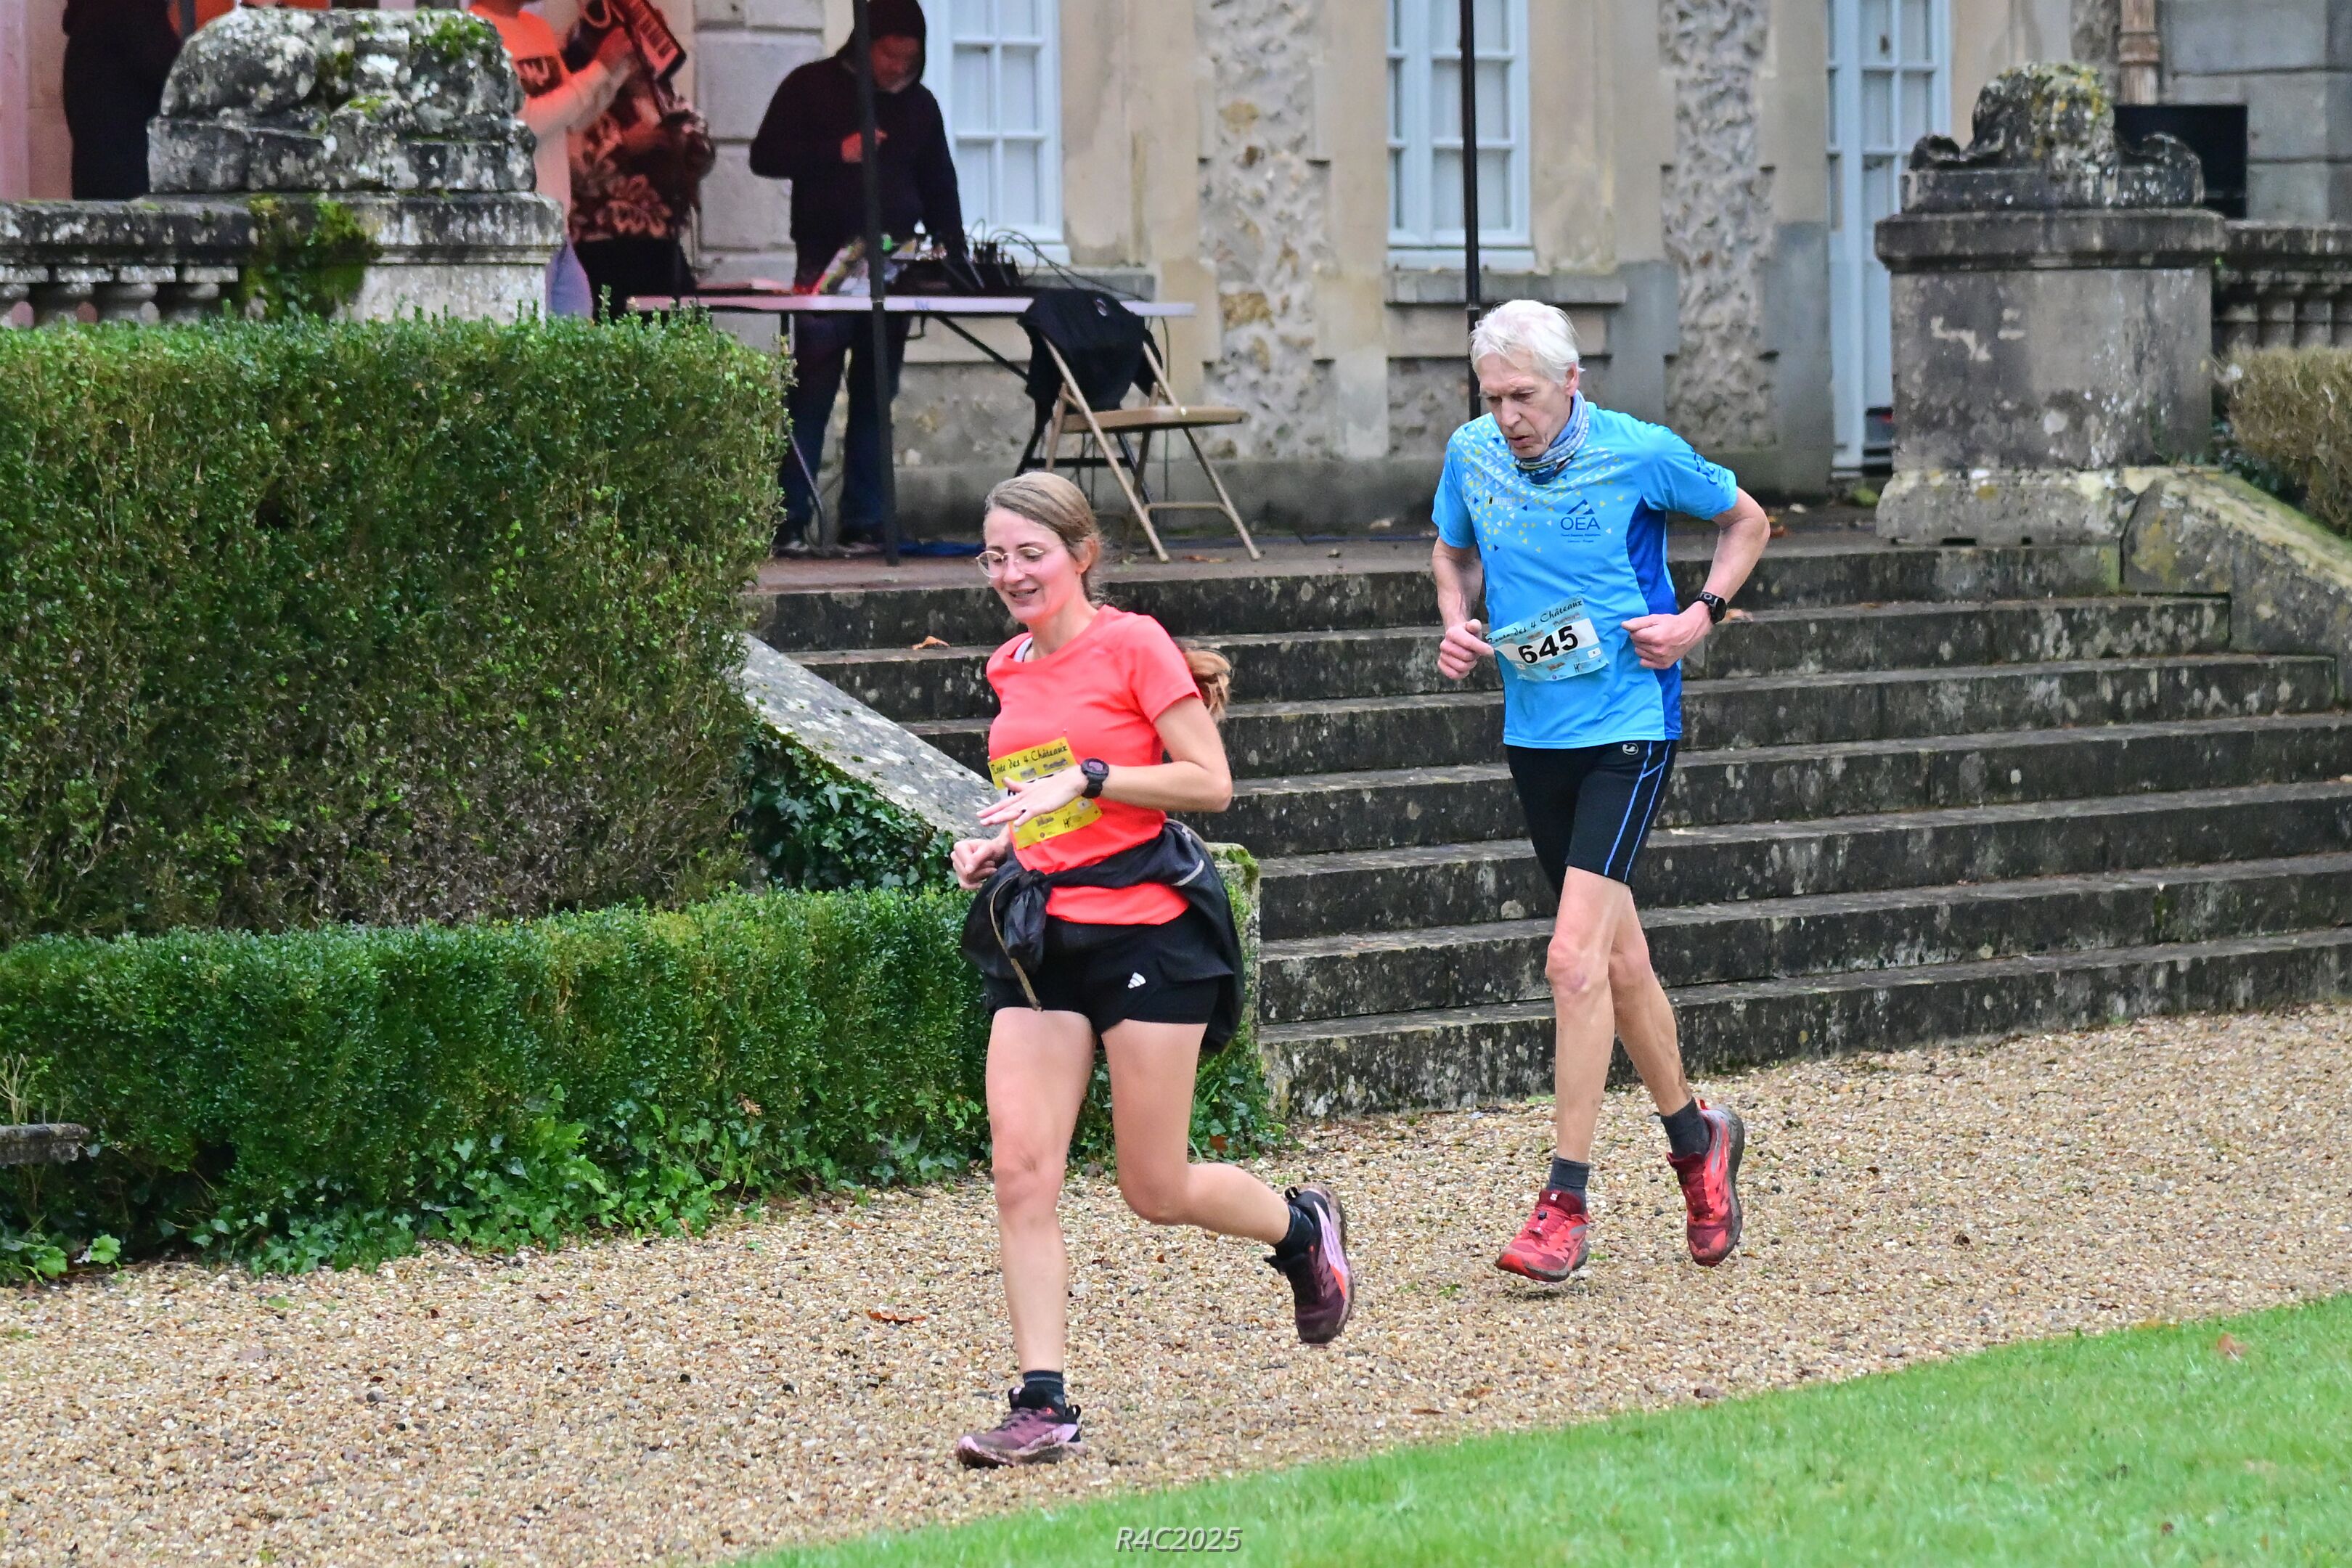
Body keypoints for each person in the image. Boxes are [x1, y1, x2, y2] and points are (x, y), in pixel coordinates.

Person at [950, 472, 1353, 1469]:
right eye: (996, 557)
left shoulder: (1133, 643)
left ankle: (1301, 1231)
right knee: (1020, 1172)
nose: (1012, 573)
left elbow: (1209, 783)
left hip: (1149, 933)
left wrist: (1091, 777)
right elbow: (1047, 800)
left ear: (1081, 555)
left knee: (1155, 1185)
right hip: (1043, 937)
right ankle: (1042, 1402)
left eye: (1031, 554)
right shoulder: (1007, 664)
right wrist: (1002, 846)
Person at [1431, 300, 1771, 1283]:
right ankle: (1697, 1142)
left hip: (1629, 724)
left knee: (1571, 961)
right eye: (1492, 399)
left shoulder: (1640, 452)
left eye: (1523, 397)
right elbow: (1452, 549)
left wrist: (1699, 616)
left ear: (1571, 383)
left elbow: (1746, 521)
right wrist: (1455, 617)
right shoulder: (1471, 454)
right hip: (1534, 730)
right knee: (1620, 961)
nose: (1507, 417)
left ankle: (1564, 1205)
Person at [749, 0, 963, 551]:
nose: (898, 68)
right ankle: (788, 518)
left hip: (894, 266)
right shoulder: (810, 86)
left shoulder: (920, 106)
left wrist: (954, 255)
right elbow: (765, 155)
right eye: (889, 55)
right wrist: (835, 152)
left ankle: (865, 518)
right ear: (865, 46)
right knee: (812, 389)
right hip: (826, 258)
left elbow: (940, 185)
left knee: (875, 395)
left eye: (909, 58)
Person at [470, 0, 636, 317]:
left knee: (577, 339)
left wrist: (618, 70)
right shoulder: (478, 34)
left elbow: (575, 117)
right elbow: (525, 124)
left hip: (558, 228)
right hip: (518, 231)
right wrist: (600, 67)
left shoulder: (537, 29)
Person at [560, 0, 714, 319]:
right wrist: (625, 146)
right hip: (601, 248)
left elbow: (704, 153)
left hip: (661, 249)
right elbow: (576, 169)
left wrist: (681, 142)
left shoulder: (664, 97)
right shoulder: (584, 100)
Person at [61, 0, 181, 199]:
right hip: (133, 183)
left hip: (103, 179)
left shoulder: (93, 17)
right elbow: (180, 81)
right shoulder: (131, 10)